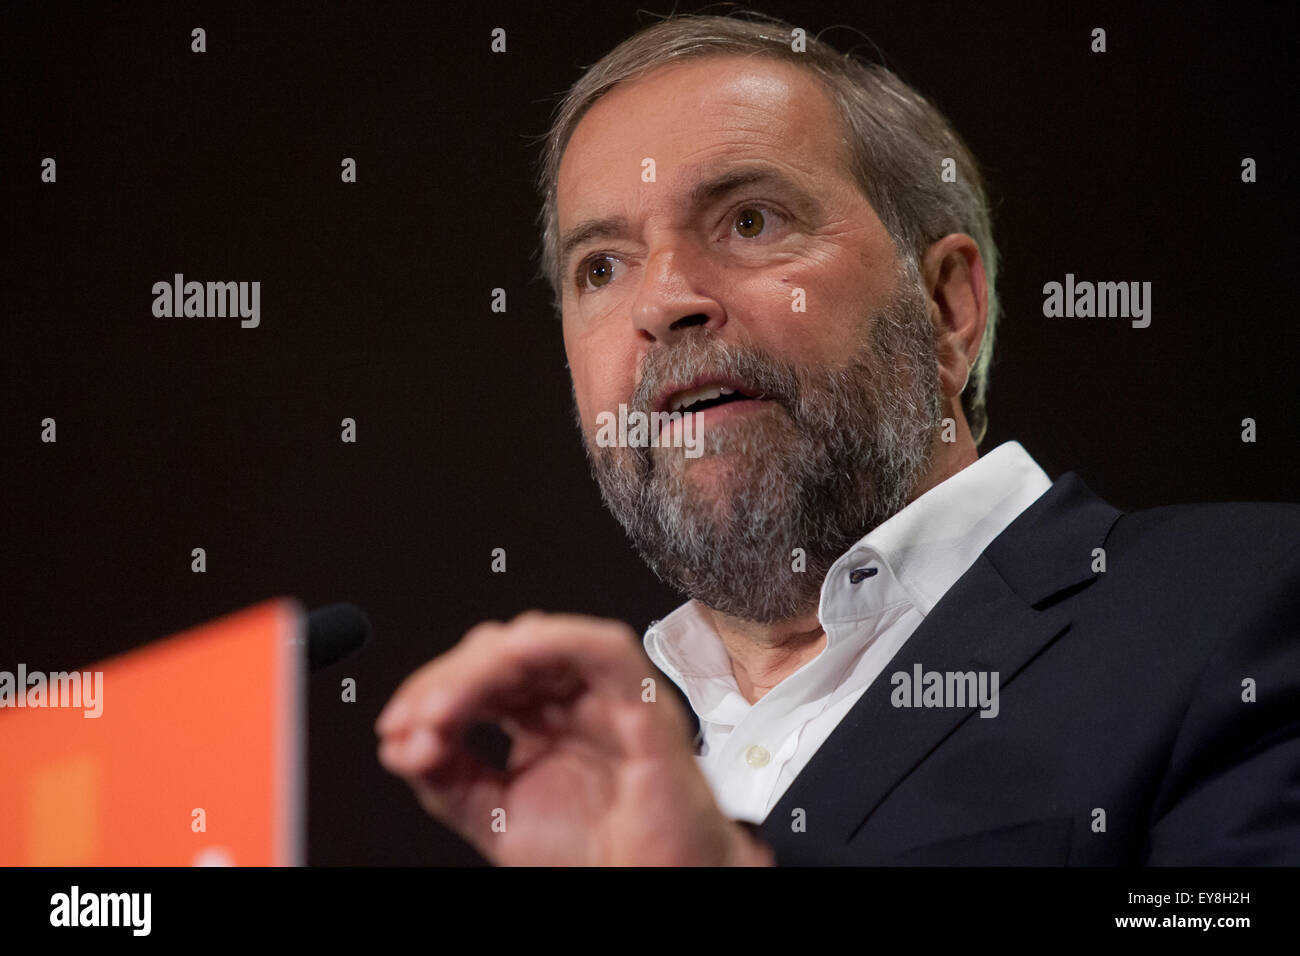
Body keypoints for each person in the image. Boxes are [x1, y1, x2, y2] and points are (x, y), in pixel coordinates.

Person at [374, 13, 1300, 865]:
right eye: (602, 266)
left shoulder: (1246, 597)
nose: (662, 302)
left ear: (946, 308)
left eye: (749, 220)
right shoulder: (592, 776)